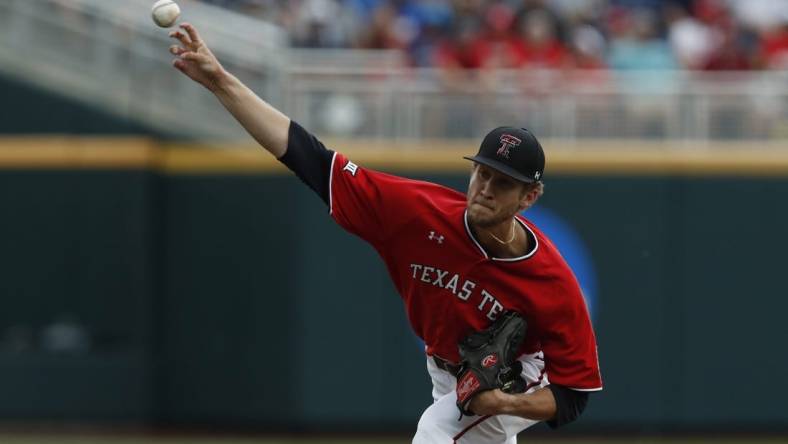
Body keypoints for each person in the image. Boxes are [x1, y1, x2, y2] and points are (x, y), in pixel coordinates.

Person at [168, 23, 602, 443]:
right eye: (482, 174)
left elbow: (573, 395)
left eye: (503, 182)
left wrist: (503, 402)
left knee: (438, 431)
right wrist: (220, 81)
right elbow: (310, 159)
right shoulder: (417, 212)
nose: (486, 189)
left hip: (517, 375)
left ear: (530, 197)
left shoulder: (551, 281)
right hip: (446, 370)